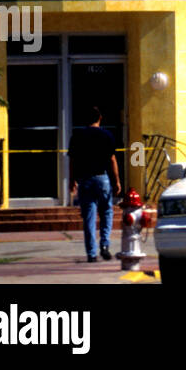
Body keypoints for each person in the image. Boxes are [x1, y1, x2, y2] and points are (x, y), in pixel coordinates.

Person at [68, 106, 120, 263]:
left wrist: (72, 180)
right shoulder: (107, 135)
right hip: (102, 177)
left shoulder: (77, 136)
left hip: (85, 179)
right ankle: (105, 245)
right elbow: (112, 160)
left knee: (89, 217)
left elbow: (72, 161)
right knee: (106, 212)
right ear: (100, 118)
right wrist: (116, 180)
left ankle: (91, 253)